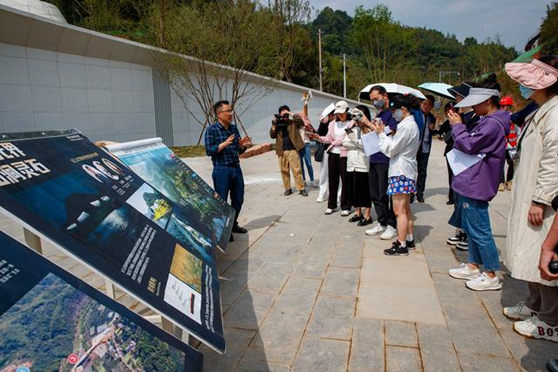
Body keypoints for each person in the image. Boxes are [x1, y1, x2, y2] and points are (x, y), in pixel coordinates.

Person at [502, 55, 558, 341]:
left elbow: (554, 159)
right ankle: (534, 304)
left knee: (544, 257)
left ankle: (549, 320)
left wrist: (541, 198)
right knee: (529, 252)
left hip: (543, 202)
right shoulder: (542, 108)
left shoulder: (556, 111)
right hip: (529, 193)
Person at [447, 77, 510, 291]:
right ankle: (474, 264)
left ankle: (491, 273)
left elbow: (469, 145)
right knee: (472, 228)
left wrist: (457, 127)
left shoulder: (492, 123)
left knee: (481, 230)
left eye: (475, 102)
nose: (472, 106)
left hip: (478, 184)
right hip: (472, 181)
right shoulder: (487, 120)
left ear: (488, 101)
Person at [373, 95, 420, 256]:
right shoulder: (409, 125)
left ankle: (401, 244)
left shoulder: (406, 127)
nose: (393, 114)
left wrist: (380, 134)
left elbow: (392, 149)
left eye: (394, 111)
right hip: (406, 170)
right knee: (406, 209)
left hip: (401, 171)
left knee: (399, 211)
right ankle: (409, 239)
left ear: (403, 109)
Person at [204, 100, 252, 242]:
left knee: (238, 199)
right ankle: (223, 230)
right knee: (222, 201)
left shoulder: (233, 128)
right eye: (228, 111)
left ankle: (232, 224)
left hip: (236, 168)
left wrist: (243, 146)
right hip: (221, 170)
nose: (231, 114)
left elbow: (238, 150)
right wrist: (223, 144)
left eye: (231, 111)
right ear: (219, 114)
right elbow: (209, 151)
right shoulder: (211, 130)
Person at [446, 82, 480, 251]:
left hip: (467, 164)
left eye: (459, 97)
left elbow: (468, 141)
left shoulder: (475, 118)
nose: (457, 100)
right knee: (457, 197)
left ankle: (467, 233)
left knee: (466, 200)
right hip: (457, 162)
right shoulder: (463, 116)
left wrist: (458, 124)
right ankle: (460, 230)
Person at [364, 85, 398, 240]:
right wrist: (363, 124)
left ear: (385, 96)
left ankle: (392, 225)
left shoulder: (393, 113)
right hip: (374, 157)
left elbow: (388, 132)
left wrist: (369, 123)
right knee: (375, 193)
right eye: (372, 100)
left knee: (385, 193)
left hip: (385, 159)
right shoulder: (379, 114)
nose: (374, 102)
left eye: (376, 99)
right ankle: (382, 222)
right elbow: (374, 133)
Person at [311, 101, 352, 215]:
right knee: (332, 180)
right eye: (338, 113)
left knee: (345, 180)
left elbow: (348, 138)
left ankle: (346, 206)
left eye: (342, 113)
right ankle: (331, 205)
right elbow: (328, 138)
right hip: (333, 153)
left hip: (345, 154)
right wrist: (318, 138)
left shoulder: (352, 123)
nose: (340, 115)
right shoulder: (332, 123)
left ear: (347, 111)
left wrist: (335, 142)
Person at [343, 105, 373, 226]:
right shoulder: (352, 128)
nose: (355, 118)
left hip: (363, 164)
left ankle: (367, 215)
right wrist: (356, 142)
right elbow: (345, 143)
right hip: (351, 163)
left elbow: (367, 145)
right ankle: (358, 212)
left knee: (364, 190)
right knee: (354, 190)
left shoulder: (369, 130)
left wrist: (354, 141)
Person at [270, 105, 309, 197]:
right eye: (282, 112)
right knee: (284, 170)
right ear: (279, 113)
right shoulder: (277, 123)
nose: (284, 114)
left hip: (292, 149)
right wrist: (274, 125)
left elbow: (300, 121)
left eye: (286, 112)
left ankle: (301, 188)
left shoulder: (292, 123)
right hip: (281, 150)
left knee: (297, 170)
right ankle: (288, 188)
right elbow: (272, 135)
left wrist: (289, 113)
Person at [432, 102, 457, 205]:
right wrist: (436, 121)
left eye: (451, 110)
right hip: (450, 150)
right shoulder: (447, 124)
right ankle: (452, 196)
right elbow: (437, 132)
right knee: (451, 174)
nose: (449, 112)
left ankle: (458, 195)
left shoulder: (461, 121)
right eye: (447, 110)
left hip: (459, 151)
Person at [415, 95, 436, 203]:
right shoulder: (415, 114)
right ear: (420, 104)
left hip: (425, 148)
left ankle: (420, 193)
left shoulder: (432, 117)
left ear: (432, 106)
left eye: (429, 105)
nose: (426, 106)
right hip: (414, 148)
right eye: (424, 104)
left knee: (422, 172)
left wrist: (433, 128)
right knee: (412, 172)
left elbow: (431, 131)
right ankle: (409, 193)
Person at [498, 97, 520, 192]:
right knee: (500, 164)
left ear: (509, 106)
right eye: (501, 106)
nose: (502, 108)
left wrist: (518, 143)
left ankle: (509, 180)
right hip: (502, 145)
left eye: (504, 106)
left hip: (512, 145)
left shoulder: (514, 117)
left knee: (511, 163)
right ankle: (501, 182)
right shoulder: (498, 117)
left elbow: (518, 131)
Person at [316, 103, 336, 203]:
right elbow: (320, 135)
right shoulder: (325, 123)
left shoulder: (339, 122)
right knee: (324, 173)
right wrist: (323, 123)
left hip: (339, 150)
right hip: (327, 150)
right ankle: (322, 194)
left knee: (338, 175)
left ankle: (339, 195)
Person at [298, 112, 316, 188]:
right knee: (300, 165)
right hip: (298, 146)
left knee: (308, 164)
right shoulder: (296, 126)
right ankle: (304, 181)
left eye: (303, 116)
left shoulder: (308, 125)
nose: (302, 118)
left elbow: (312, 135)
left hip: (306, 145)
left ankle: (312, 181)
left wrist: (307, 130)